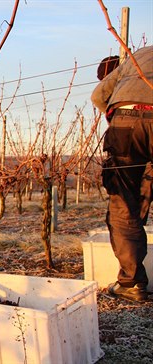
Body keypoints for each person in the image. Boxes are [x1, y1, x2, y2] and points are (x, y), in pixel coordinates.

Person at [91, 46, 153, 302]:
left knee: (124, 201)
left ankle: (131, 282)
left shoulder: (137, 56)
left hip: (126, 120)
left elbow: (98, 96)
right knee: (142, 194)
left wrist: (117, 118)